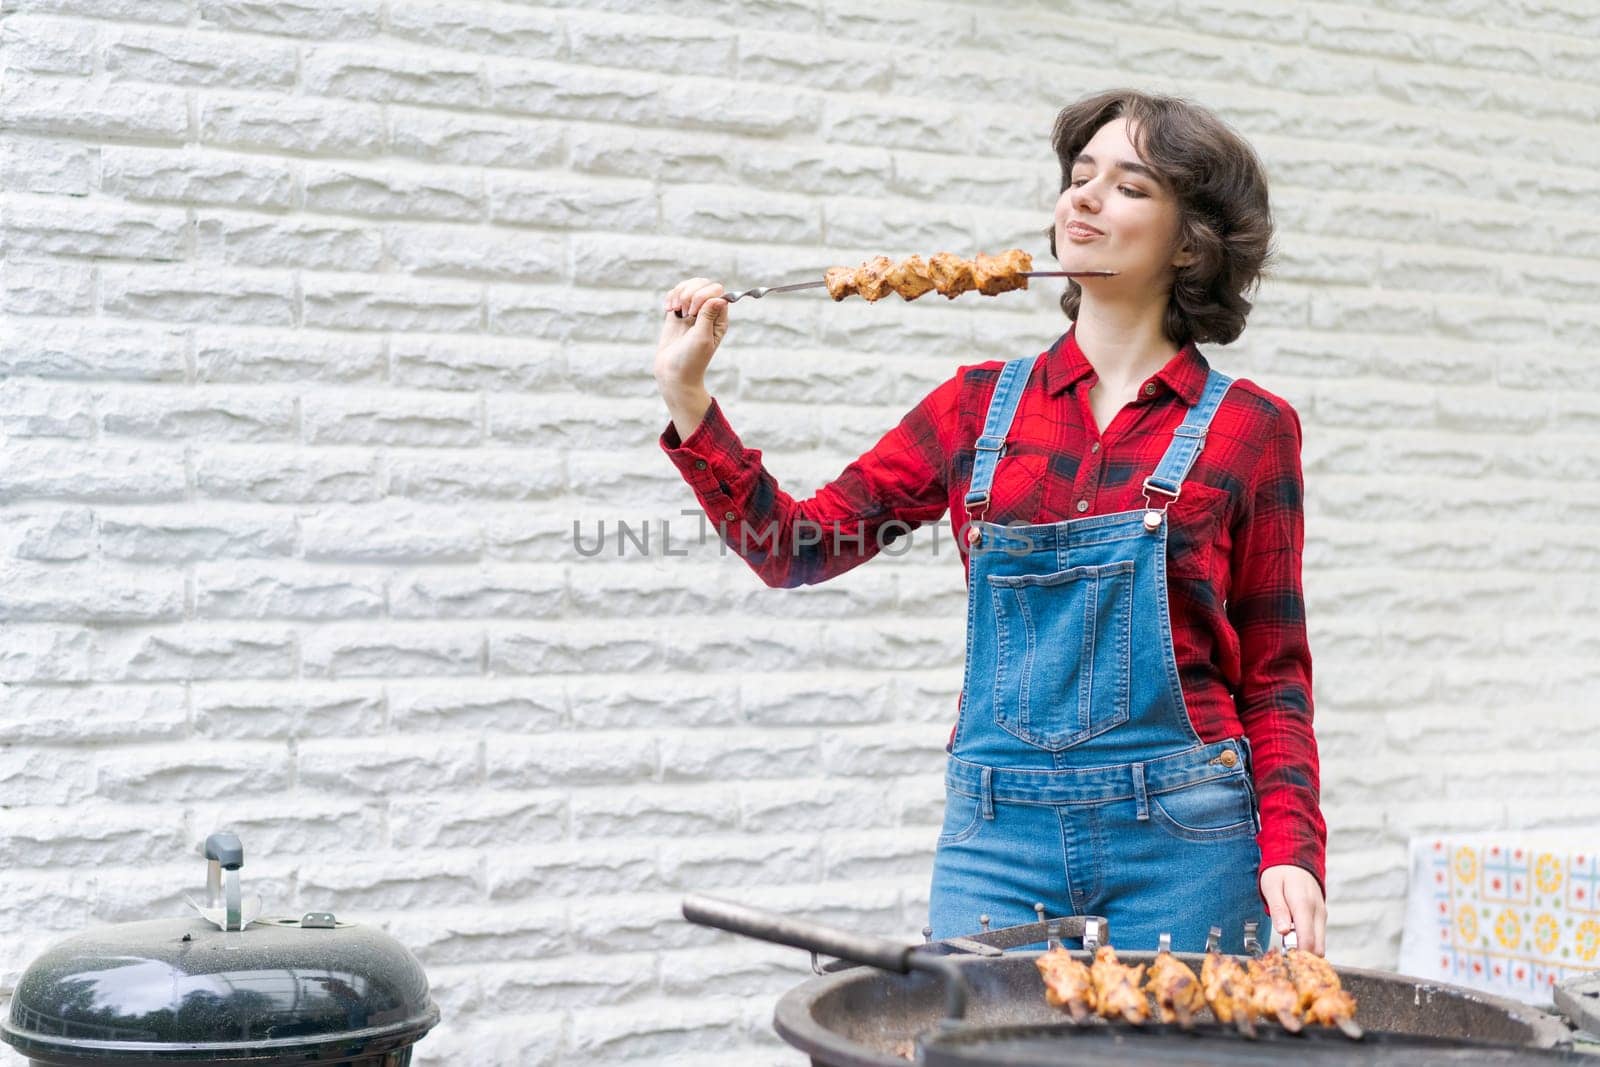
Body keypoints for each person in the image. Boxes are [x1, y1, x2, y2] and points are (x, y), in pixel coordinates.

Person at [653, 89, 1327, 956]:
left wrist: (1294, 851)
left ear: (1190, 240)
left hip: (1188, 844)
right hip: (998, 843)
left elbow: (1274, 674)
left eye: (1129, 186)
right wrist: (688, 396)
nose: (1083, 197)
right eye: (1079, 177)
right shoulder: (975, 410)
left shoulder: (1250, 429)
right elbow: (793, 548)